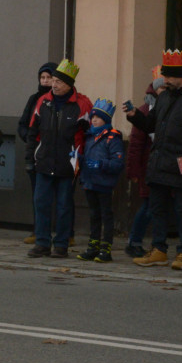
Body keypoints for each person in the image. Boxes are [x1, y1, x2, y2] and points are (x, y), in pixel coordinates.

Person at [128, 49, 182, 271]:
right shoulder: (164, 97)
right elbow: (151, 125)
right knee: (157, 209)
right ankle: (159, 250)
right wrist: (135, 116)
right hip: (159, 162)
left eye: (168, 76)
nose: (164, 79)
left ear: (180, 76)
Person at [25, 59, 92, 259]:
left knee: (64, 205)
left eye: (58, 82)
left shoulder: (83, 105)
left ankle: (61, 244)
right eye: (53, 80)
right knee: (41, 203)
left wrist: (82, 160)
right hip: (44, 160)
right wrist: (30, 157)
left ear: (69, 85)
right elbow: (32, 132)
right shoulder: (43, 101)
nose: (54, 85)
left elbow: (89, 135)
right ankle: (42, 243)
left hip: (68, 164)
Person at [75, 99, 125, 263]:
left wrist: (100, 164)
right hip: (89, 182)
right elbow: (88, 158)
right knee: (93, 215)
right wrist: (79, 160)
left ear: (106, 120)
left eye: (98, 117)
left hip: (103, 183)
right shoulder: (89, 136)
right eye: (93, 117)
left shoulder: (112, 137)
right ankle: (93, 246)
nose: (94, 120)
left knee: (106, 215)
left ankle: (106, 248)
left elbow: (118, 163)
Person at [125, 75, 164, 258]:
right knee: (148, 206)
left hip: (164, 166)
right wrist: (134, 170)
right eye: (161, 88)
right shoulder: (146, 110)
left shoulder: (170, 107)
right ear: (155, 90)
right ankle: (134, 241)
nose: (164, 91)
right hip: (148, 167)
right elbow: (135, 144)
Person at [17, 62, 56, 244]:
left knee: (60, 196)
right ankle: (38, 230)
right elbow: (23, 125)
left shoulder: (58, 98)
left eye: (49, 77)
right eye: (43, 78)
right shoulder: (34, 99)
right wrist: (32, 140)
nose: (46, 81)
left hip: (56, 154)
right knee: (38, 195)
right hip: (36, 153)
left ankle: (65, 232)